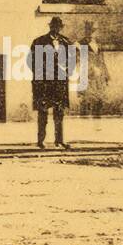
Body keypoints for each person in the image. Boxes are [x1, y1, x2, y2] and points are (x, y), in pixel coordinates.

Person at [28, 16, 72, 150]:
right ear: (50, 26)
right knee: (43, 112)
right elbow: (31, 61)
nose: (56, 29)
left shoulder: (66, 42)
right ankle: (40, 140)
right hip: (44, 83)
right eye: (54, 26)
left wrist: (66, 72)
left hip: (60, 83)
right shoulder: (39, 42)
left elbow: (72, 60)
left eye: (59, 26)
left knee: (59, 112)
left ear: (61, 27)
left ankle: (59, 140)